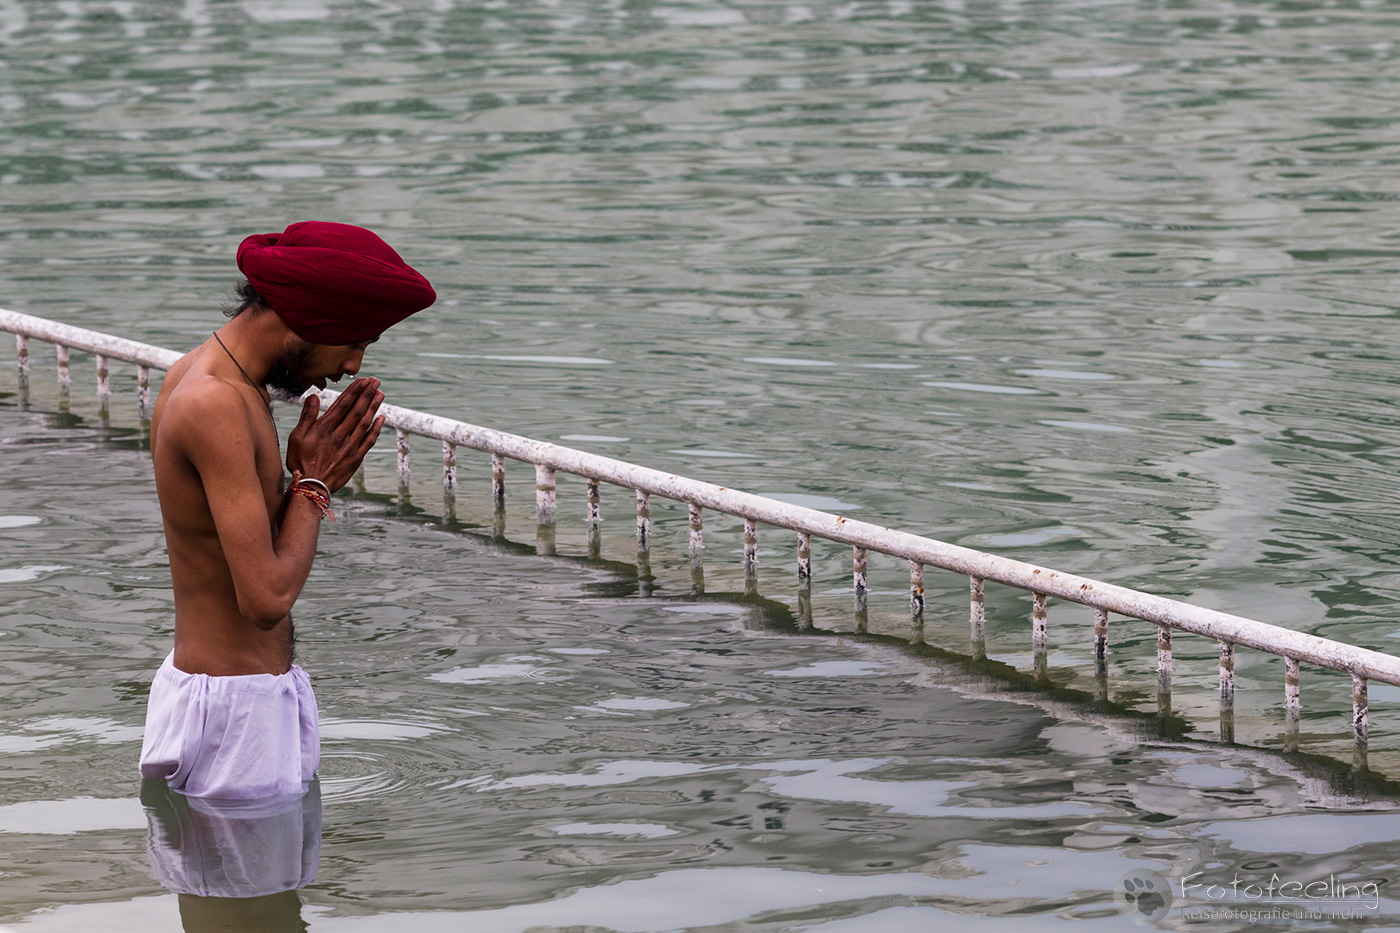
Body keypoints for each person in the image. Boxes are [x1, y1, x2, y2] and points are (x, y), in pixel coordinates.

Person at [138, 221, 435, 799]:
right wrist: (313, 485)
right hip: (233, 716)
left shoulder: (212, 378)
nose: (352, 365)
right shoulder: (214, 401)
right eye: (353, 340)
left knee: (260, 891)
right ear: (308, 317)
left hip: (233, 702)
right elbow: (265, 599)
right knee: (242, 892)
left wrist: (301, 480)